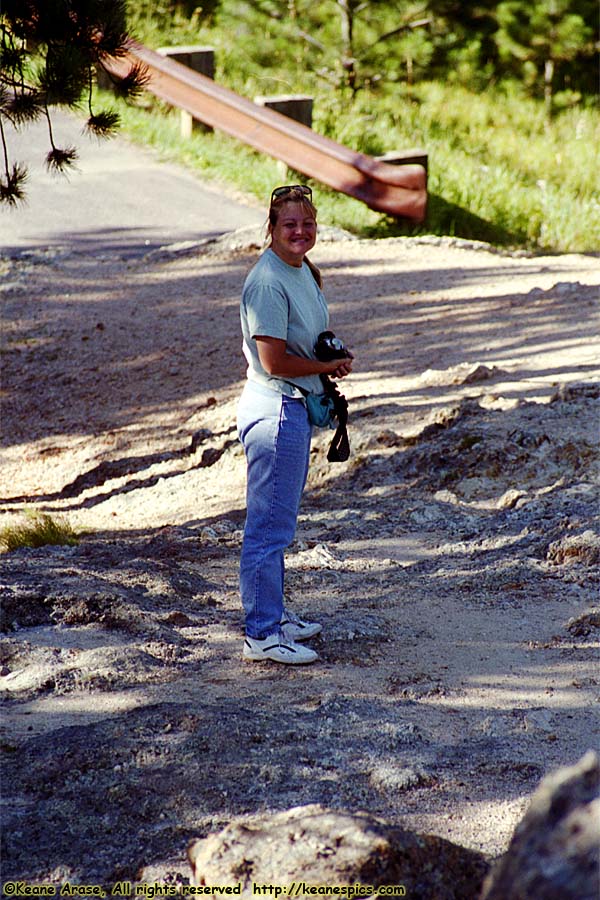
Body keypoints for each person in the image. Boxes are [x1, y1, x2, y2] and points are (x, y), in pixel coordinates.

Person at [237, 184, 353, 665]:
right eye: (289, 225)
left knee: (278, 524)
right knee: (268, 528)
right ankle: (262, 635)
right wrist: (326, 369)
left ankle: (275, 615)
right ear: (272, 228)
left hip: (291, 408)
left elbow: (301, 341)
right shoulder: (268, 282)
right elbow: (274, 360)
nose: (300, 232)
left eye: (307, 223)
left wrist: (328, 359)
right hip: (275, 412)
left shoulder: (301, 269)